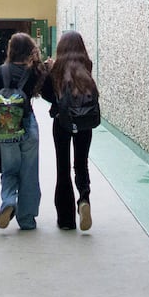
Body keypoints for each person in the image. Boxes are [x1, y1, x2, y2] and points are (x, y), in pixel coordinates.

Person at [41, 30, 100, 231]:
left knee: (63, 168)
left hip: (62, 122)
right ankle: (84, 199)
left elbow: (47, 94)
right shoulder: (87, 65)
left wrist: (48, 71)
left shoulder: (57, 68)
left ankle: (66, 220)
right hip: (84, 122)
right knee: (81, 164)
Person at [0, 32, 45, 230]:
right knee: (29, 173)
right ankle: (27, 220)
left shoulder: (2, 70)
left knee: (10, 170)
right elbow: (45, 91)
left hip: (6, 128)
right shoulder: (34, 70)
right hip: (28, 124)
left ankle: (8, 202)